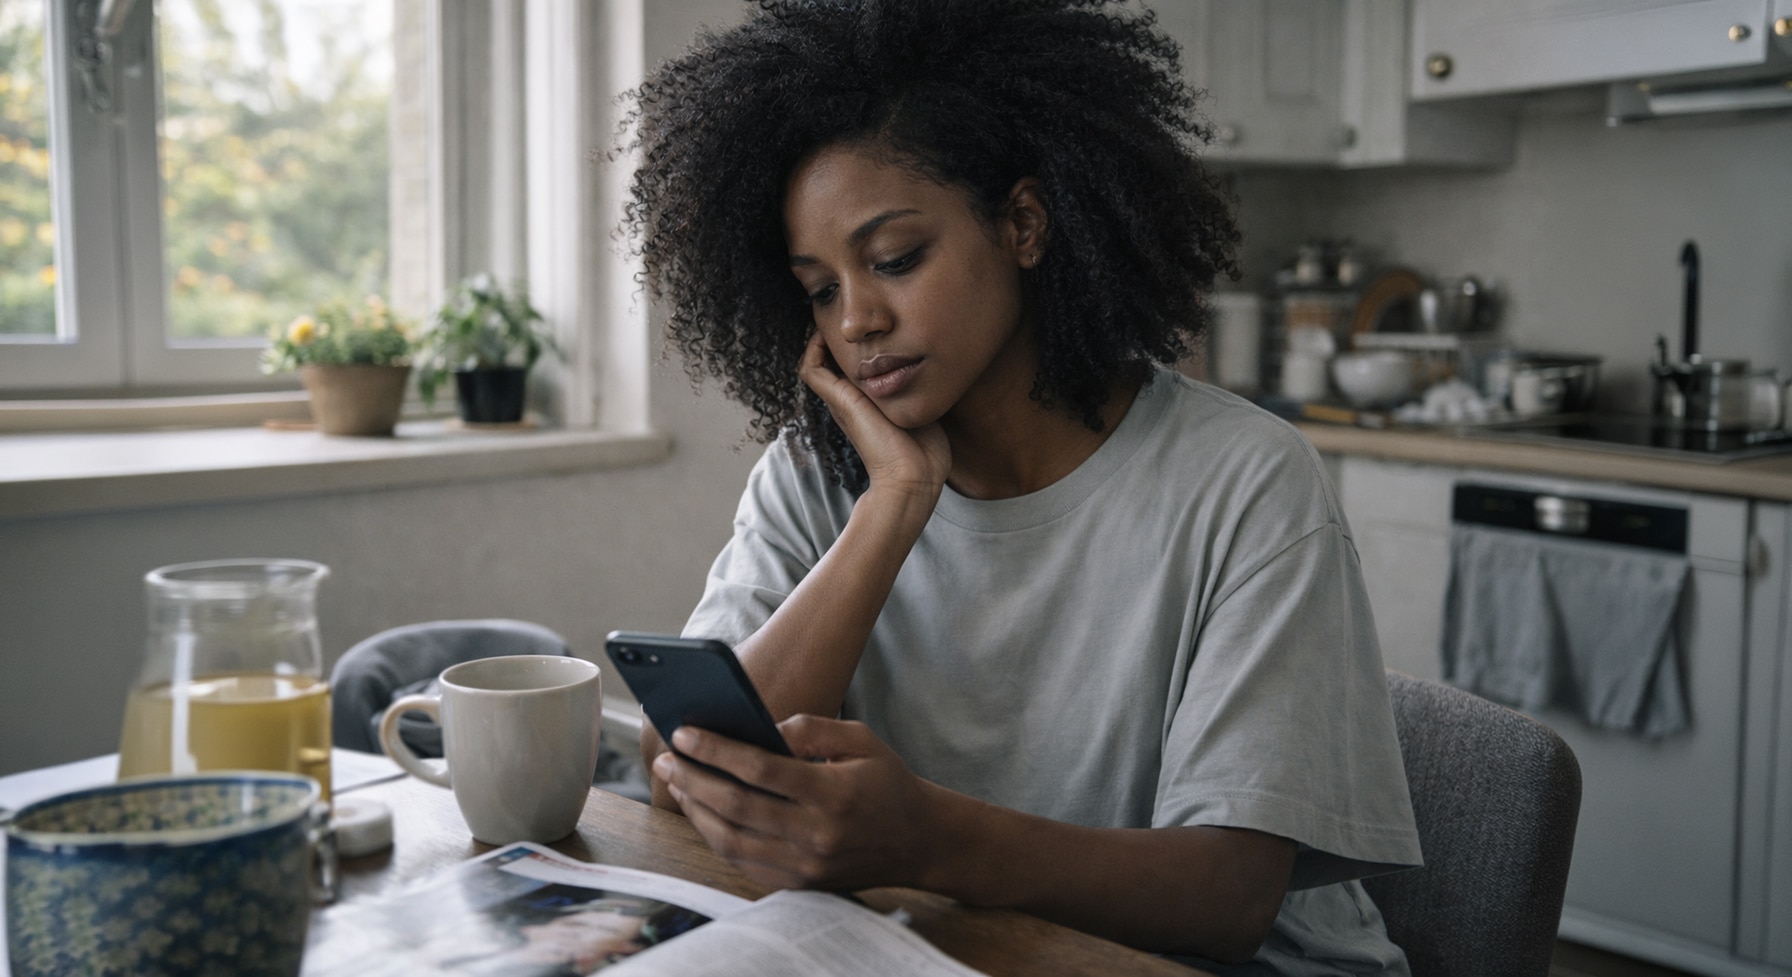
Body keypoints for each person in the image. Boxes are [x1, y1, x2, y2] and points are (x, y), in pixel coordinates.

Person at [620, 1, 1423, 972]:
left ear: (1025, 225)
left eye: (894, 259)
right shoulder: (817, 471)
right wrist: (894, 504)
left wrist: (929, 837)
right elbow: (691, 784)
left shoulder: (1242, 478)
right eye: (820, 289)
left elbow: (1228, 899)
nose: (858, 319)